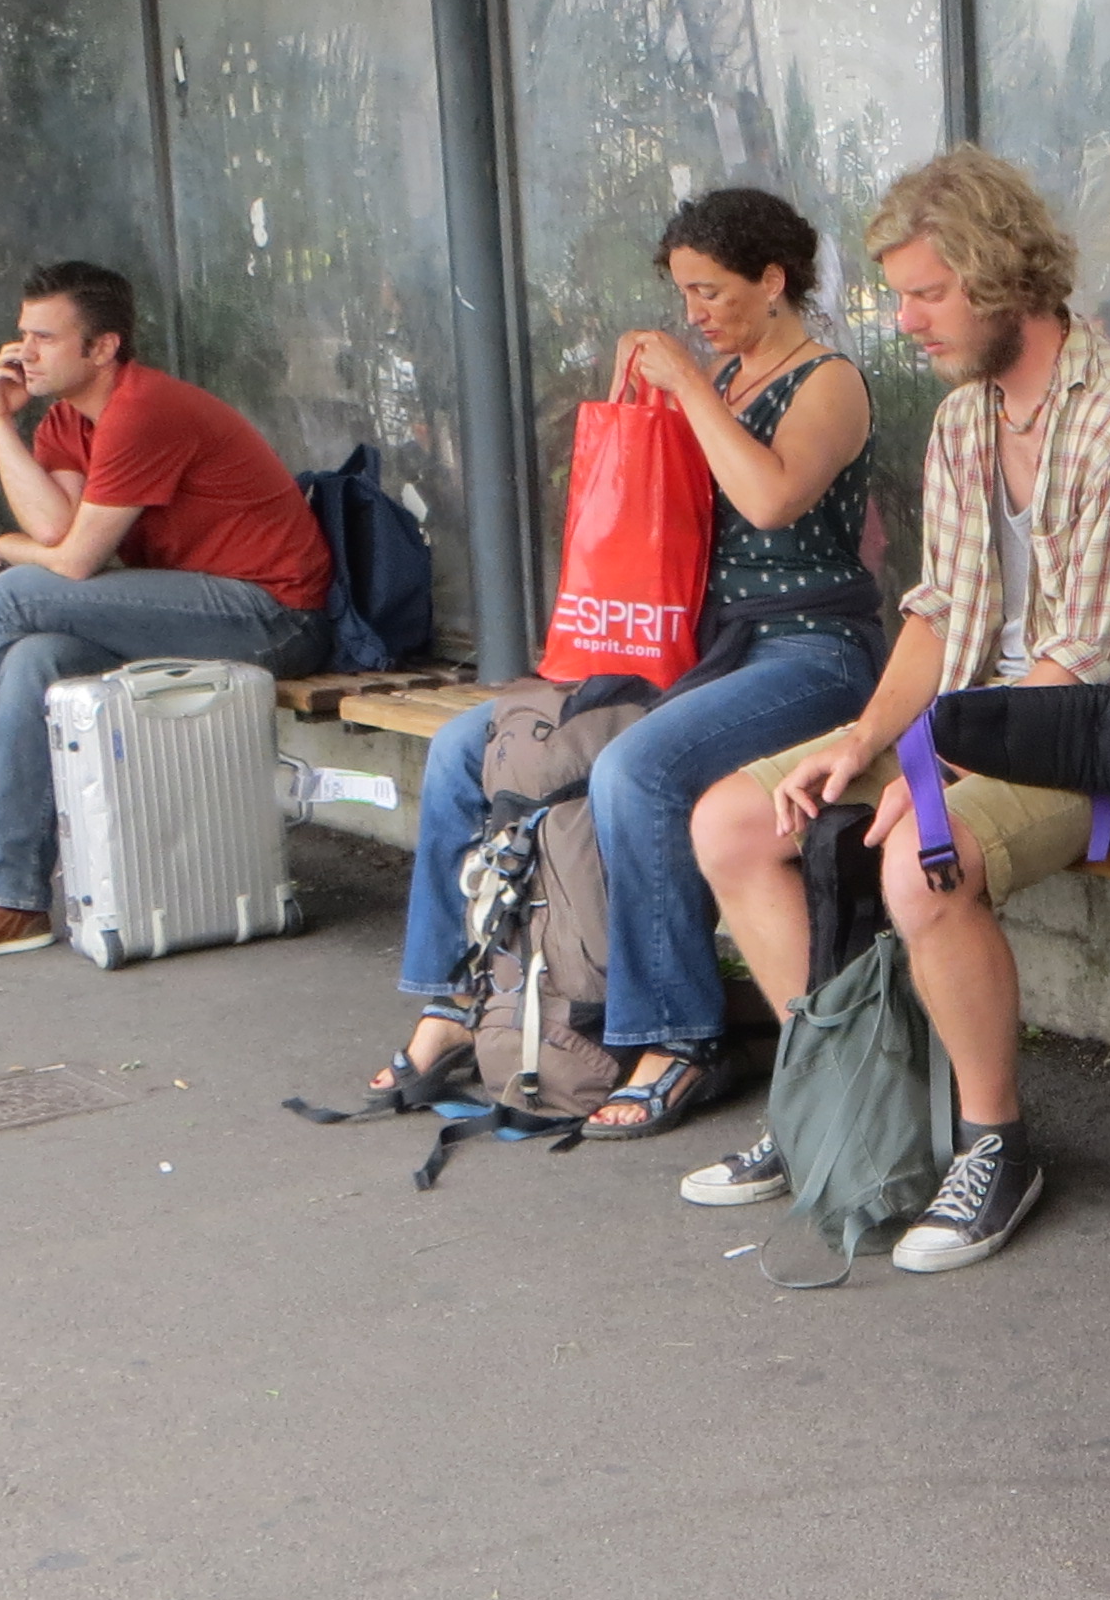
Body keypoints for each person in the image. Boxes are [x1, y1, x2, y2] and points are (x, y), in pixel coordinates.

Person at [680, 145, 1110, 1268]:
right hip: (967, 720)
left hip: (1085, 735)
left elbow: (1085, 657)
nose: (903, 321)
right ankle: (836, 1095)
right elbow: (939, 611)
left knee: (919, 861)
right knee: (735, 821)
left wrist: (932, 770)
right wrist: (864, 741)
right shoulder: (963, 420)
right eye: (899, 294)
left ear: (1002, 276)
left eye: (928, 293)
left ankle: (996, 1145)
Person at [366, 189, 881, 1135]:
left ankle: (678, 1036)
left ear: (774, 280)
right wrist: (638, 401)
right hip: (690, 647)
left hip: (810, 649)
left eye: (710, 290)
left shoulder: (828, 381)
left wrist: (687, 387)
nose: (694, 312)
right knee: (467, 745)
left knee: (635, 770)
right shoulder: (719, 378)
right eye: (683, 292)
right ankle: (457, 996)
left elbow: (770, 499)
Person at [0, 260, 338, 969]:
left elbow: (70, 563)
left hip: (272, 617)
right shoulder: (68, 419)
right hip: (190, 606)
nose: (22, 352)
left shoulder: (143, 408)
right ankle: (8, 900)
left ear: (102, 348)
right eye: (22, 335)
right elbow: (56, 530)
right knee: (35, 658)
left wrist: (1, 548)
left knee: (12, 593)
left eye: (45, 338)